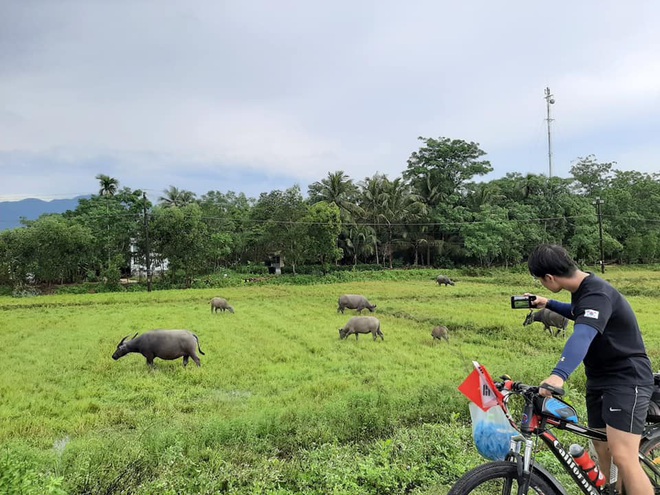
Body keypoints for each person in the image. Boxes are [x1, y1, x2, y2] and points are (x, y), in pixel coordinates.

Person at [527, 243, 654, 495]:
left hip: (627, 378)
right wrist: (548, 302)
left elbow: (583, 335)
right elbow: (579, 313)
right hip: (599, 378)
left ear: (549, 277)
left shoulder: (597, 293)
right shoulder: (582, 288)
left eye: (540, 280)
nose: (542, 283)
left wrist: (558, 375)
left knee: (624, 456)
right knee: (602, 447)